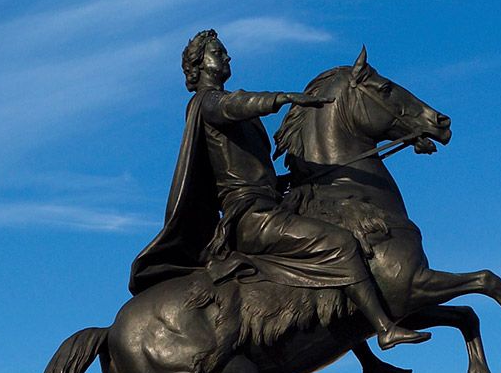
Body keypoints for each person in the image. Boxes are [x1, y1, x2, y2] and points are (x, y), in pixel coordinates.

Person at [128, 30, 428, 350]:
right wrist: (282, 98)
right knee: (339, 243)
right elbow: (233, 105)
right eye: (218, 52)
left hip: (267, 206)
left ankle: (364, 356)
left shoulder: (229, 111)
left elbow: (250, 169)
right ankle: (384, 328)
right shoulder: (205, 103)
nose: (227, 57)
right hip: (251, 218)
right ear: (199, 65)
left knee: (325, 248)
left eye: (225, 52)